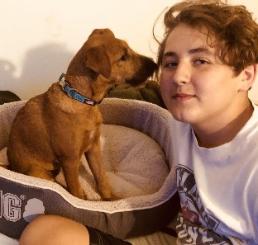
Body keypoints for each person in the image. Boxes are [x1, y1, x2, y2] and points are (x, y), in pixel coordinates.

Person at [19, 0, 258, 244]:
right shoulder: (177, 119)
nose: (179, 76)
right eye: (171, 63)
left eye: (201, 61)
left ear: (246, 75)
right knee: (46, 233)